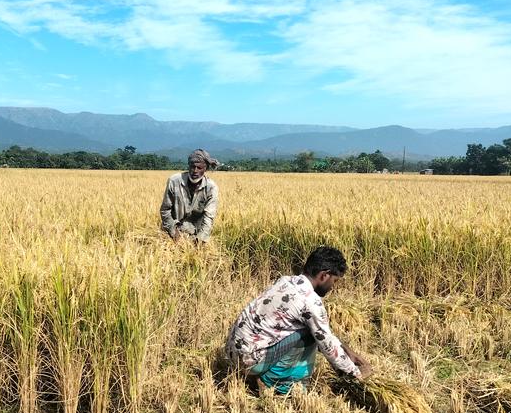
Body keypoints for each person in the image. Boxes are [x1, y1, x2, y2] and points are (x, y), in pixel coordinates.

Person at [223, 246, 372, 394]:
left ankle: (261, 374)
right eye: (334, 281)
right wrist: (355, 373)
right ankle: (278, 384)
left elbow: (326, 335)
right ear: (324, 275)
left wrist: (347, 350)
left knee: (311, 328)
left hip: (233, 353)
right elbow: (327, 344)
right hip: (250, 360)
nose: (333, 287)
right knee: (309, 333)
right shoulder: (310, 301)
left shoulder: (286, 281)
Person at [159, 149, 219, 244]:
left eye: (199, 168)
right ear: (188, 166)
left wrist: (201, 239)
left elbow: (209, 217)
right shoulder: (174, 181)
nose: (195, 171)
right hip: (175, 230)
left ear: (205, 169)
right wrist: (173, 231)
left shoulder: (211, 188)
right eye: (192, 167)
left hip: (197, 232)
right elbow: (165, 210)